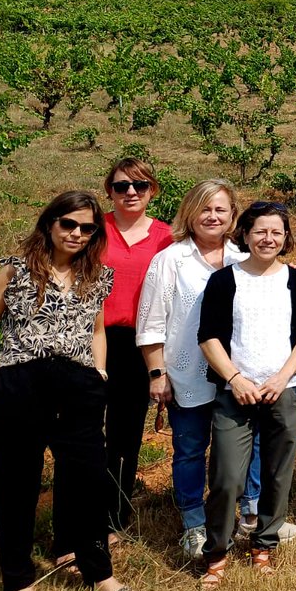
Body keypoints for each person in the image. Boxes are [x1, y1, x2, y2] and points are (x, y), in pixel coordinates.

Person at [0, 191, 130, 591]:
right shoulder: (15, 271)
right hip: (20, 386)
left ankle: (98, 572)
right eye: (69, 224)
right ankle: (19, 581)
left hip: (79, 389)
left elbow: (97, 330)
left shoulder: (97, 275)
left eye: (87, 227)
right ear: (50, 223)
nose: (77, 233)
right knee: (17, 486)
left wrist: (100, 371)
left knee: (89, 483)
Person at [135, 179, 279, 559]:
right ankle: (194, 523)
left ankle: (250, 513)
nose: (213, 216)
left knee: (249, 445)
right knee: (190, 448)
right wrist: (157, 372)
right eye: (205, 208)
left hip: (240, 374)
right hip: (189, 374)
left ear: (233, 216)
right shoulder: (171, 260)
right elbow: (151, 322)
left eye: (221, 209)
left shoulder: (243, 256)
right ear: (190, 213)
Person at [197, 202, 296, 590]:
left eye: (277, 232)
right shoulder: (224, 280)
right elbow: (209, 337)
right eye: (261, 231)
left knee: (277, 475)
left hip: (283, 391)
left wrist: (282, 378)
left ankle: (263, 544)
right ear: (245, 234)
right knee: (227, 476)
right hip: (236, 393)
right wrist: (235, 378)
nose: (269, 239)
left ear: (286, 238)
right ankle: (216, 551)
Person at [97, 159, 174, 536]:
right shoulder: (94, 229)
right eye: (122, 185)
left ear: (152, 190)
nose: (131, 192)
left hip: (140, 343)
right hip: (91, 339)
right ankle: (85, 508)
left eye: (140, 186)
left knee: (126, 432)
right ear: (109, 190)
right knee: (87, 428)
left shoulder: (166, 237)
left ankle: (115, 514)